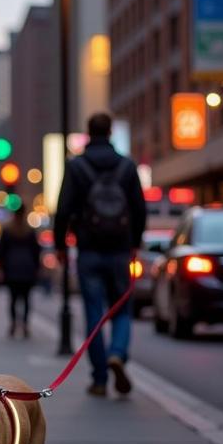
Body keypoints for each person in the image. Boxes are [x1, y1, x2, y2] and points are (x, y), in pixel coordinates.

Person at [54, 112, 146, 397]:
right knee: (121, 308)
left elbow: (63, 208)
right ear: (110, 133)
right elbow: (139, 208)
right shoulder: (127, 166)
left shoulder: (76, 166)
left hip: (89, 250)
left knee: (94, 312)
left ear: (88, 133)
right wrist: (135, 242)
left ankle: (99, 378)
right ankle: (117, 352)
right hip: (120, 249)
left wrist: (60, 245)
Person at [0, 204, 41, 339]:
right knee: (27, 299)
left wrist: (2, 266)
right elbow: (36, 251)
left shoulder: (7, 230)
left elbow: (0, 250)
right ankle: (26, 325)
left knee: (13, 298)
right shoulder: (30, 230)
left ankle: (14, 323)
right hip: (27, 268)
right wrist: (36, 267)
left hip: (12, 268)